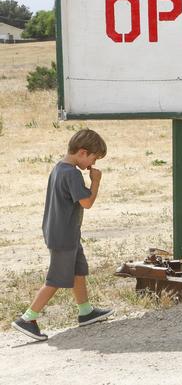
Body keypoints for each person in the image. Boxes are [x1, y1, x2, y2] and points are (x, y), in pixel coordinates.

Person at [11, 129, 113, 342]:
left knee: (77, 270)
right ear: (83, 152)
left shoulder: (60, 167)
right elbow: (87, 202)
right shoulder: (72, 173)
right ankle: (27, 318)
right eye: (94, 158)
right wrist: (95, 182)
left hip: (63, 231)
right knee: (56, 278)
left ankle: (85, 311)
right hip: (64, 235)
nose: (93, 163)